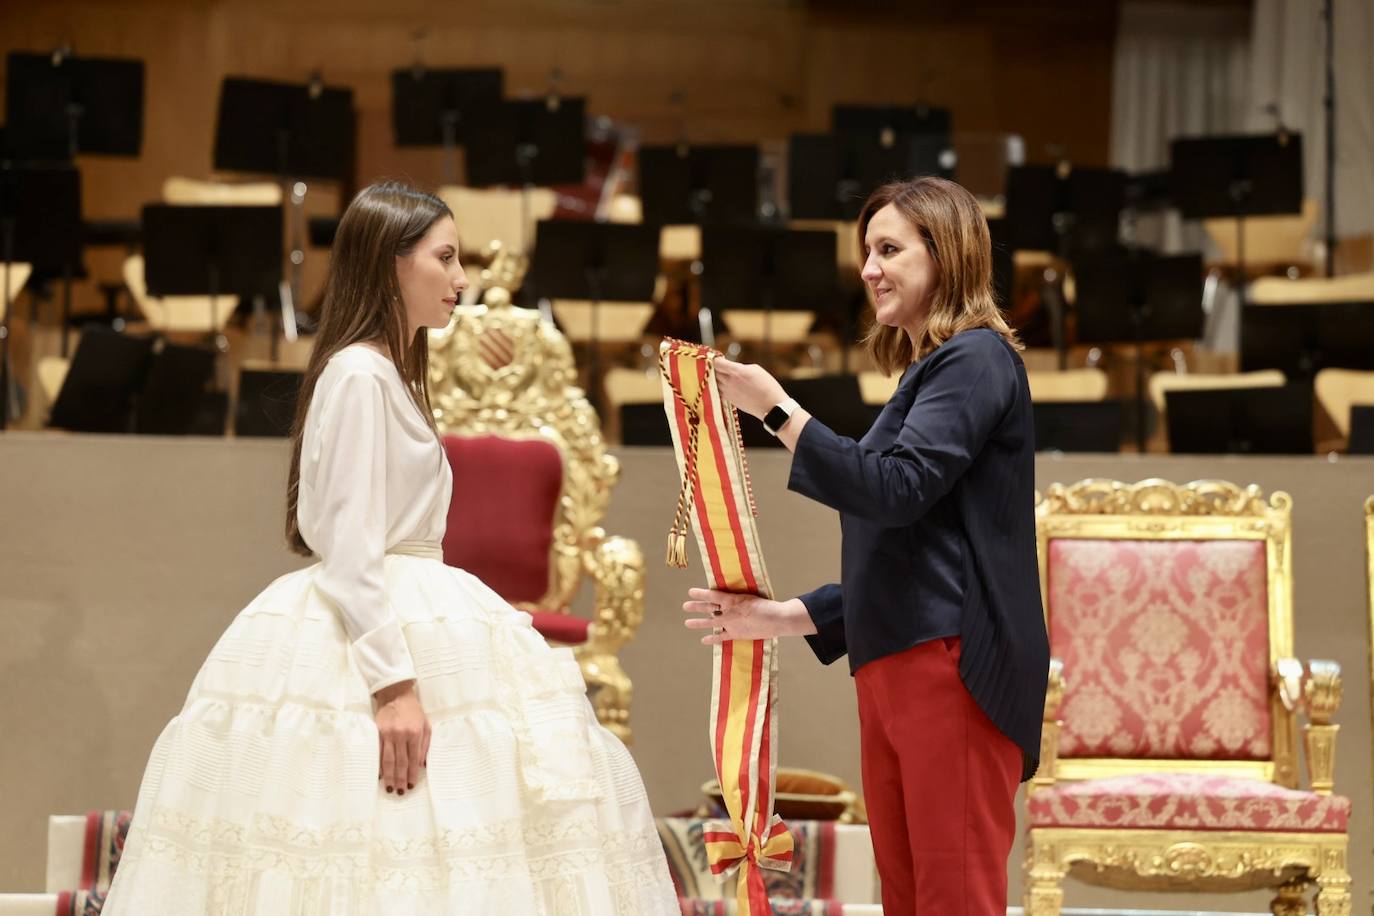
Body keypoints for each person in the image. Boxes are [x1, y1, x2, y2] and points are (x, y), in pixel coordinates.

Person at [103, 181, 678, 915]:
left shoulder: (387, 373)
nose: (462, 279)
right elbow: (348, 543)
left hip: (420, 601)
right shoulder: (357, 374)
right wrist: (393, 686)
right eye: (445, 258)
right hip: (376, 621)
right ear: (391, 264)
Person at [683, 177, 1049, 914]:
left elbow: (897, 488)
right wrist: (786, 616)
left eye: (889, 249)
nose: (869, 268)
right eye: (866, 251)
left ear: (944, 254)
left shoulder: (977, 359)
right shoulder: (929, 372)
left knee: (954, 898)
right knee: (909, 900)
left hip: (954, 666)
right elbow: (912, 550)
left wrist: (778, 411)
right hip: (899, 664)